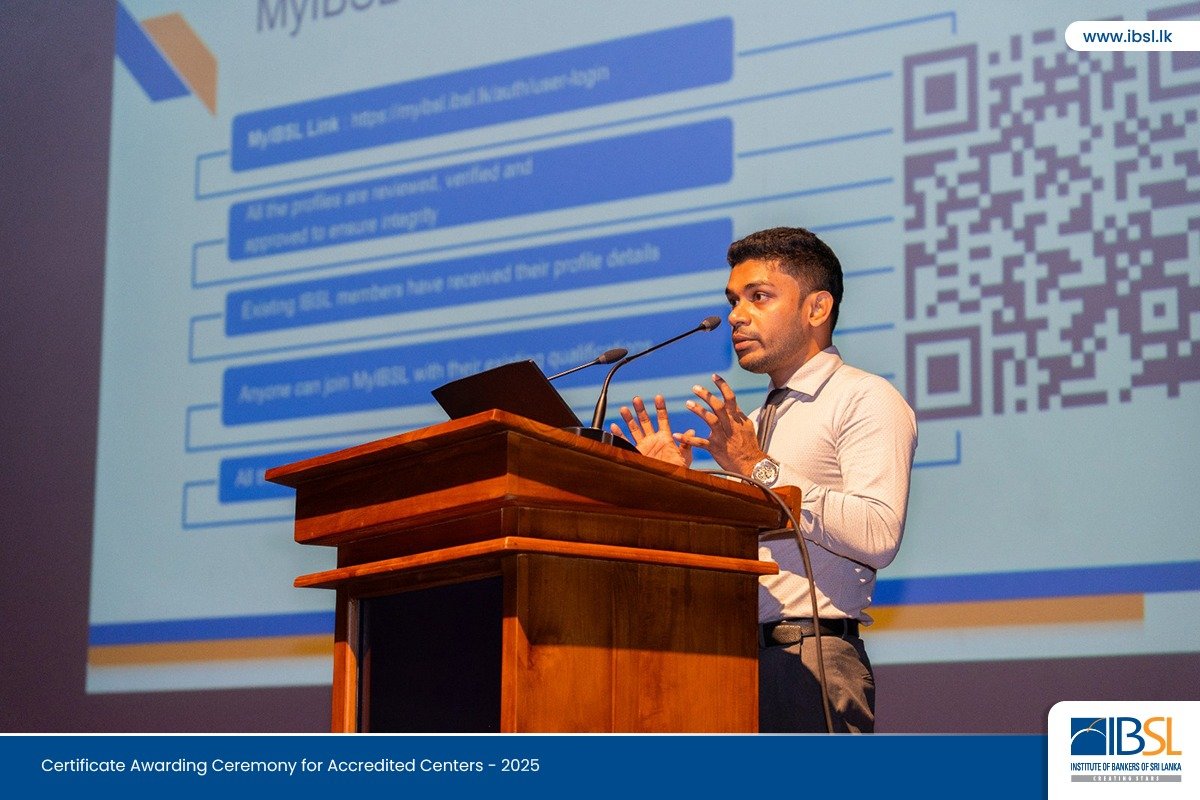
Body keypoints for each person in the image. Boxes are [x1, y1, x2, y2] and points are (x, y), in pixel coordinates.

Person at [609, 227, 917, 733]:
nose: (736, 315)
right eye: (734, 300)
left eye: (759, 296)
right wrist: (672, 488)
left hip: (809, 664)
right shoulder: (751, 425)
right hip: (727, 663)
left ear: (817, 308)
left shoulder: (864, 398)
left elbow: (878, 534)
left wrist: (757, 467)